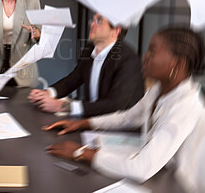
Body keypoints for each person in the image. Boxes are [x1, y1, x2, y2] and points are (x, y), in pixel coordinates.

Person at [44, 26, 205, 193]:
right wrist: (85, 123)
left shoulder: (185, 105)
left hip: (180, 185)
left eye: (152, 51)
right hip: (161, 175)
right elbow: (129, 117)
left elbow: (142, 168)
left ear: (178, 63)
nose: (145, 56)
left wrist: (82, 153)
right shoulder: (159, 89)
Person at [28, 13, 144, 117]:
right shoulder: (90, 48)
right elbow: (74, 79)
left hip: (120, 127)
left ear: (116, 30)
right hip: (92, 119)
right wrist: (48, 93)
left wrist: (62, 106)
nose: (92, 24)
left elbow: (115, 104)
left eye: (98, 21)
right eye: (92, 20)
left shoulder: (129, 59)